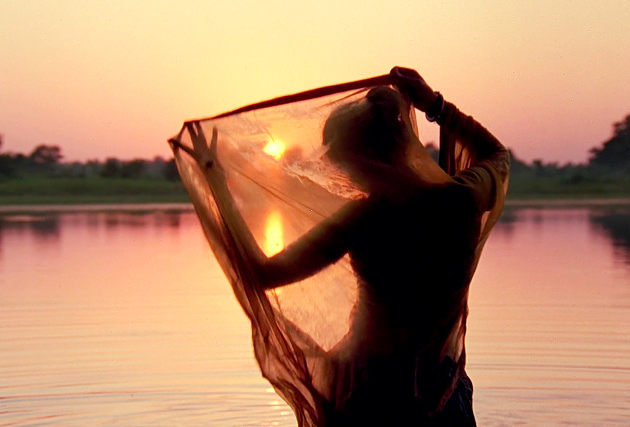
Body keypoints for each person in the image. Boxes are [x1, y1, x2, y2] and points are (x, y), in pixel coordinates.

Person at [184, 66, 510, 425]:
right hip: (440, 399)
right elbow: (498, 156)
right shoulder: (462, 200)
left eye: (345, 167)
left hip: (369, 396)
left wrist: (216, 182)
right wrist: (434, 104)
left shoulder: (366, 220)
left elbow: (262, 273)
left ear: (361, 160)